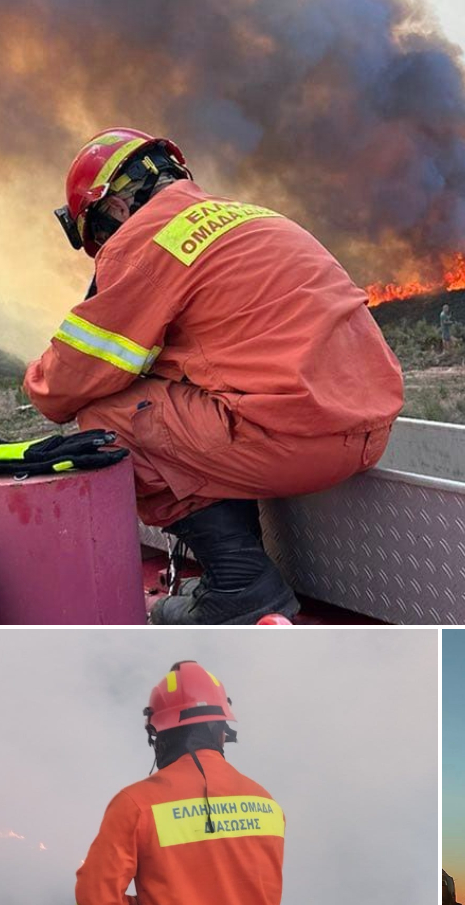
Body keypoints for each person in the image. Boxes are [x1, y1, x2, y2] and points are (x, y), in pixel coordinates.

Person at [26, 127, 405, 625]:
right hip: (368, 430)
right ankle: (236, 575)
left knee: (107, 414)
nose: (103, 248)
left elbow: (66, 386)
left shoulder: (146, 240)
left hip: (293, 441)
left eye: (96, 234)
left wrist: (35, 378)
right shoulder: (255, 217)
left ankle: (238, 581)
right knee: (191, 392)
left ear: (115, 208)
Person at [74, 661, 288, 905]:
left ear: (158, 734)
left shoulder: (135, 805)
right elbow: (247, 895)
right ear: (221, 732)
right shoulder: (265, 802)